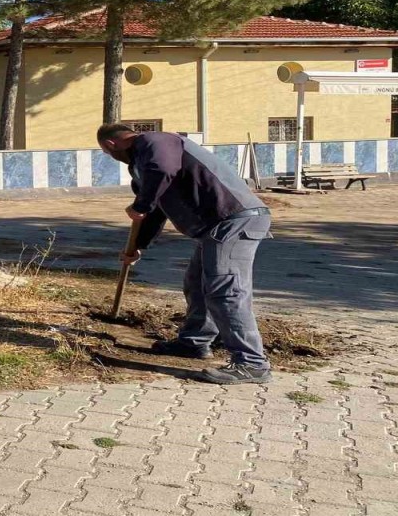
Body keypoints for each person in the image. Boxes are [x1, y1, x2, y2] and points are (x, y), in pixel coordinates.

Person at [96, 124, 273, 385]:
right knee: (196, 284)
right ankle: (194, 342)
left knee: (226, 291)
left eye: (107, 153)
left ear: (110, 145)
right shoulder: (141, 167)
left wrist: (141, 204)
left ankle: (252, 363)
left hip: (234, 220)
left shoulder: (155, 141)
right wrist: (137, 246)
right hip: (214, 229)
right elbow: (154, 212)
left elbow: (160, 174)